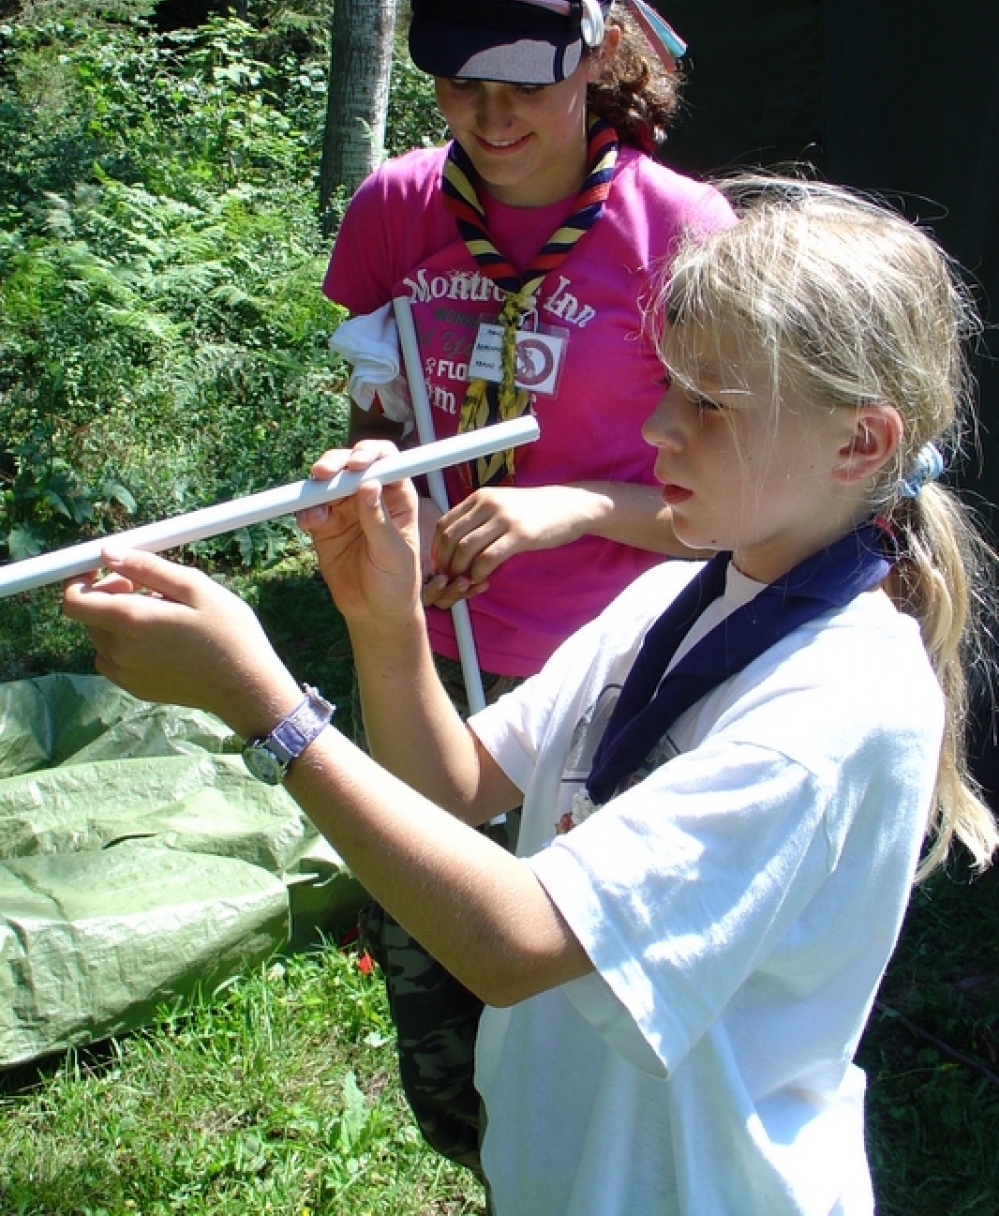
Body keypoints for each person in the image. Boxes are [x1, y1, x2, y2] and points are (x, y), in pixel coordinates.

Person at [64, 176, 998, 1216]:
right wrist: (385, 618)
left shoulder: (837, 704)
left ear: (859, 443)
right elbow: (452, 785)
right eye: (670, 387)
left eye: (708, 405)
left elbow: (513, 946)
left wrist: (271, 713)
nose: (657, 428)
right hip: (564, 1169)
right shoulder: (673, 594)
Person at [324, 0, 734, 696]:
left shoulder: (684, 234)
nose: (490, 119)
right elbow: (377, 424)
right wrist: (396, 501)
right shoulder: (394, 209)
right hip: (426, 645)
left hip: (621, 662)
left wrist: (570, 507)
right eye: (460, 84)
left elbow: (735, 518)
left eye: (527, 87)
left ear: (602, 51)